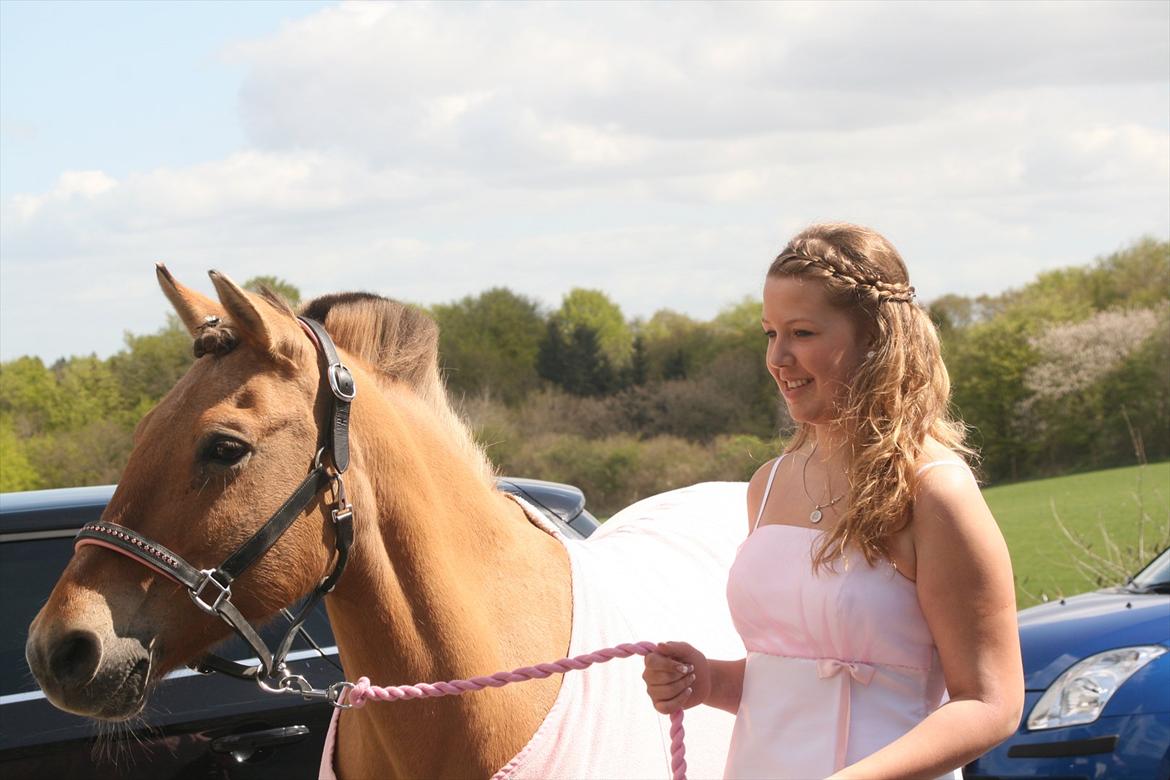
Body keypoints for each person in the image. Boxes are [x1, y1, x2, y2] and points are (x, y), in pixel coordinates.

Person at [643, 223, 1024, 779]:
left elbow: (991, 703)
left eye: (801, 333)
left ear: (875, 338)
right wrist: (708, 681)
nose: (778, 358)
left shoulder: (935, 491)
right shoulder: (768, 485)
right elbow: (788, 680)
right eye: (770, 333)